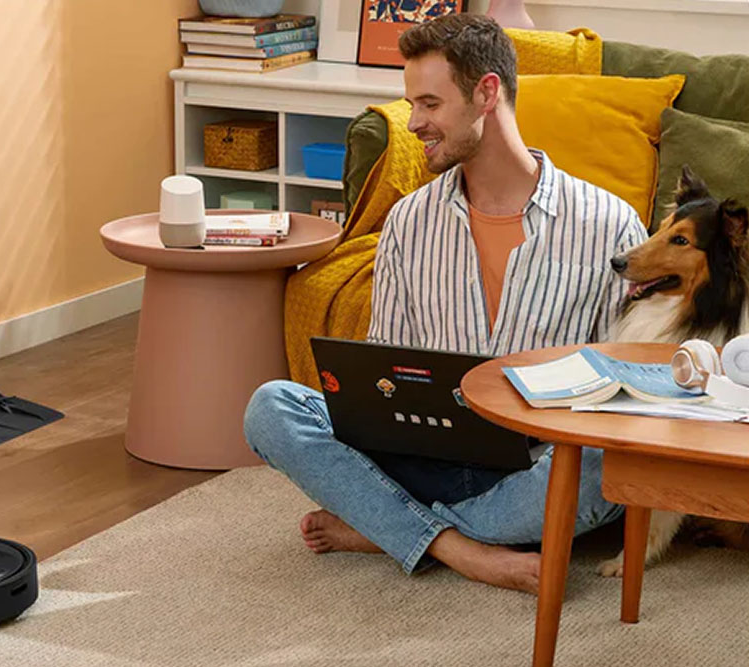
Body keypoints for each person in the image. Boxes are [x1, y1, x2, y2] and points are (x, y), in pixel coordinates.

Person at [243, 14, 647, 594]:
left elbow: (625, 383)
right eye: (412, 105)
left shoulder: (610, 226)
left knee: (607, 467)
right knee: (271, 405)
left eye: (430, 104)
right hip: (417, 450)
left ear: (486, 93)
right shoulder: (409, 221)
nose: (414, 124)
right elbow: (383, 364)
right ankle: (463, 548)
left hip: (534, 469)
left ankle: (385, 526)